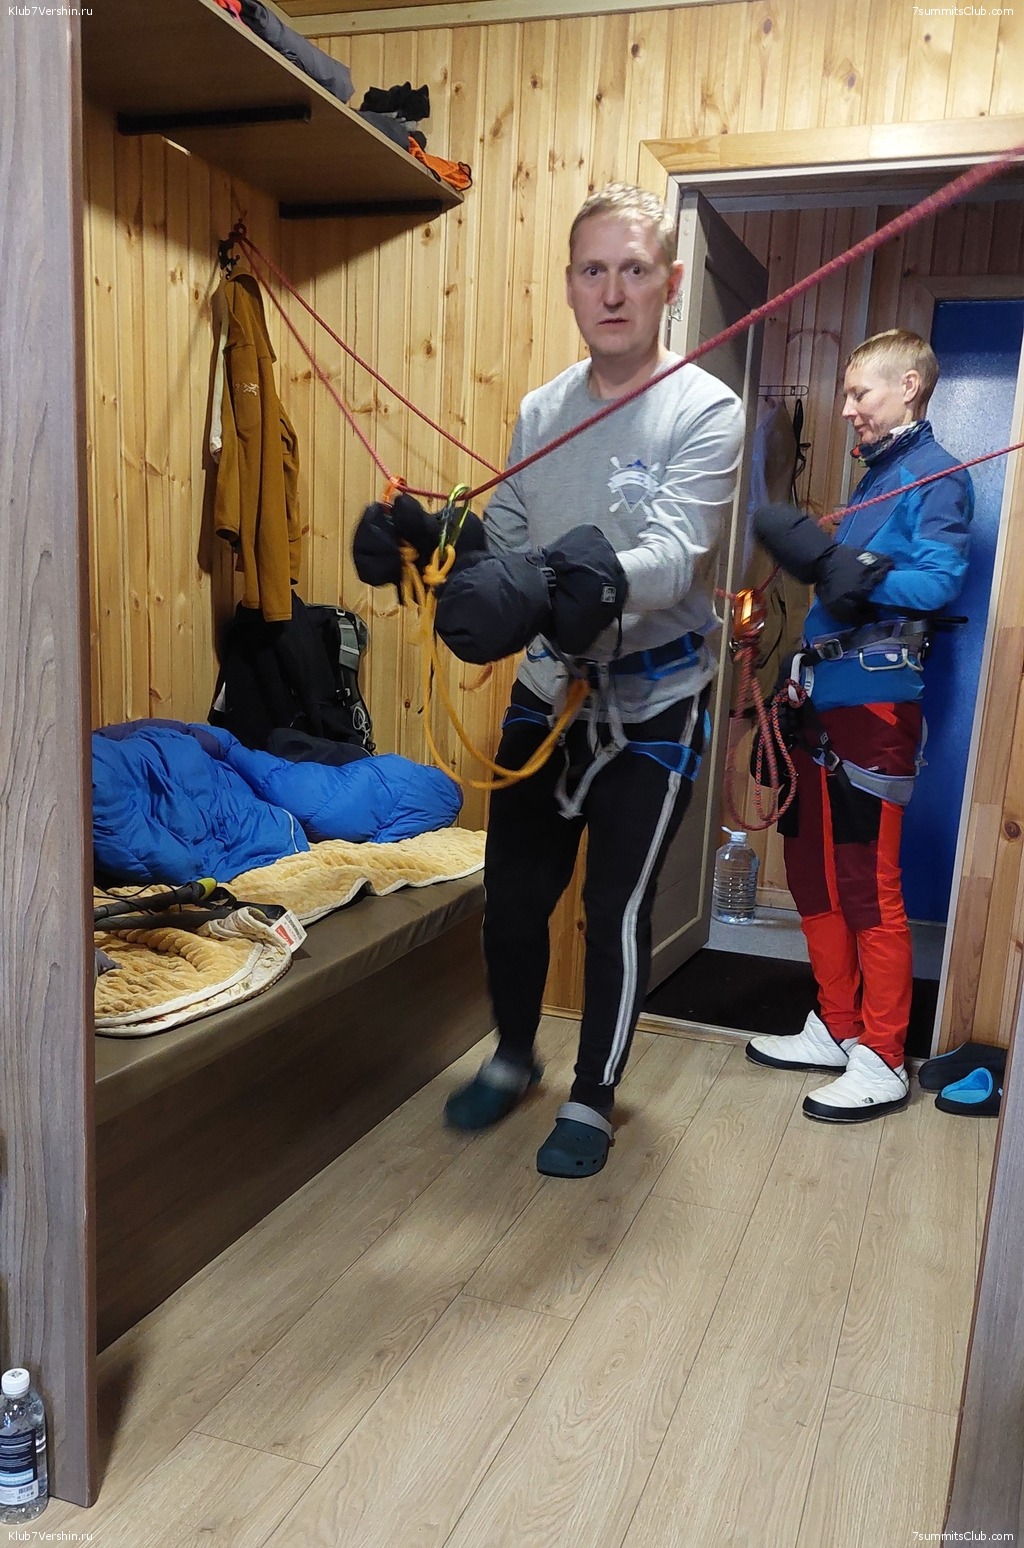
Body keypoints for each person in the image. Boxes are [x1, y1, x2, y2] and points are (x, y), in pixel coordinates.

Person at [433, 182, 747, 1177]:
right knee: (513, 898)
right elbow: (507, 541)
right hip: (547, 692)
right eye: (593, 271)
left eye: (633, 270)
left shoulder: (706, 408)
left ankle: (592, 1096)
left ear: (670, 283)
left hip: (654, 704)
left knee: (612, 909)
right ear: (570, 284)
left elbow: (677, 556)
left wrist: (586, 578)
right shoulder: (541, 411)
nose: (612, 292)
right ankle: (514, 1057)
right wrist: (446, 551)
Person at [746, 329, 973, 1121]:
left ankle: (881, 1054)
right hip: (821, 703)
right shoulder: (876, 478)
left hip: (876, 710)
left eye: (858, 393)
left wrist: (856, 570)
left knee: (868, 885)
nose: (846, 409)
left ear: (908, 386)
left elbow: (939, 582)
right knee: (810, 872)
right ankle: (837, 1025)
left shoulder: (938, 476)